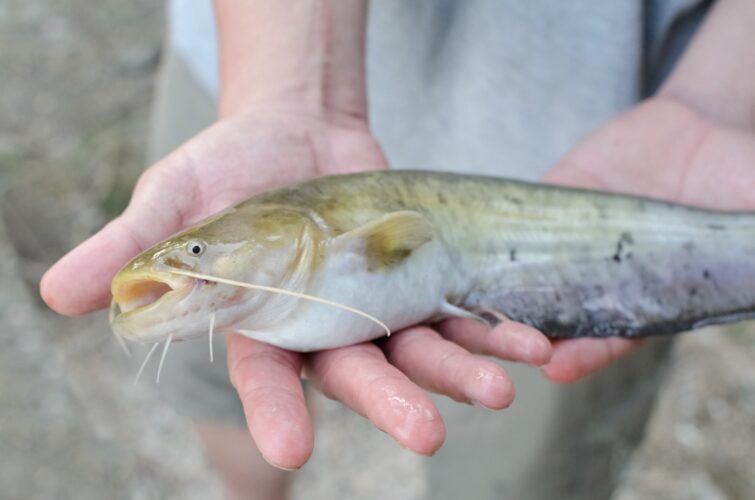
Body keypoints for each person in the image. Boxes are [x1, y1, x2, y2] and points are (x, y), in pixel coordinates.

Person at [41, 1, 755, 498]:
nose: (186, 261)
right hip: (251, 73)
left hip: (616, 117)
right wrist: (289, 87)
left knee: (521, 474)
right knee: (228, 415)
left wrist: (719, 97)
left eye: (196, 250)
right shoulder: (250, 209)